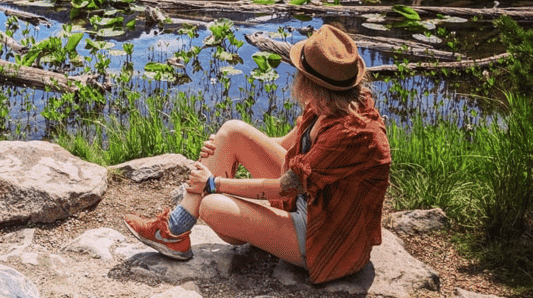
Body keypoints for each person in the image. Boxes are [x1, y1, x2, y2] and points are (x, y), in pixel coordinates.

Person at [124, 24, 391, 285]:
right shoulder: (329, 104)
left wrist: (214, 184)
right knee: (231, 132)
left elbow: (285, 187)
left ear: (312, 82)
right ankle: (175, 230)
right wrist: (228, 149)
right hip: (311, 202)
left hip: (324, 240)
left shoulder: (353, 133)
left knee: (211, 204)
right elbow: (287, 146)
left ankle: (177, 227)